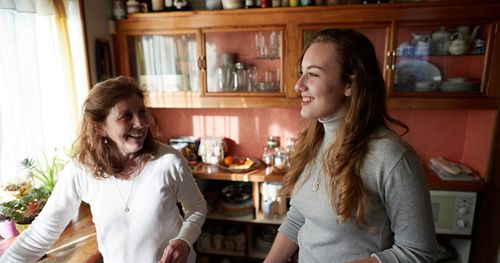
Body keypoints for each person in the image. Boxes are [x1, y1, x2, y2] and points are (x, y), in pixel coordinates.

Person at [264, 28, 437, 263]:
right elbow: (298, 217)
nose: (298, 85)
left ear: (350, 84)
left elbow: (417, 252)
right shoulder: (311, 142)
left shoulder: (391, 157)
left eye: (313, 74)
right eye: (302, 72)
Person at [0, 76, 207, 263]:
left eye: (142, 112)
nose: (141, 123)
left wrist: (184, 240)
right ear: (100, 128)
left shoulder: (168, 160)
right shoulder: (81, 171)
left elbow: (196, 207)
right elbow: (41, 233)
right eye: (126, 116)